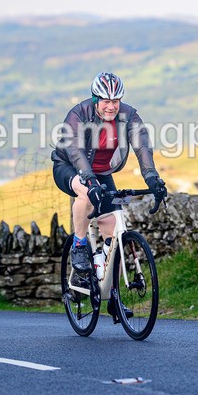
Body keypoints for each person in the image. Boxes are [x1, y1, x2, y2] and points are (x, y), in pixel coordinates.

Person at [51, 71, 167, 281]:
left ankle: (110, 289)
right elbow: (75, 151)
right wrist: (90, 180)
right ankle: (79, 245)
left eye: (115, 101)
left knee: (114, 236)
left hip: (102, 173)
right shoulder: (79, 114)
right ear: (96, 99)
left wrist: (152, 177)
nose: (111, 106)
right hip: (69, 167)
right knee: (86, 194)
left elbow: (142, 146)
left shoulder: (129, 115)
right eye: (106, 101)